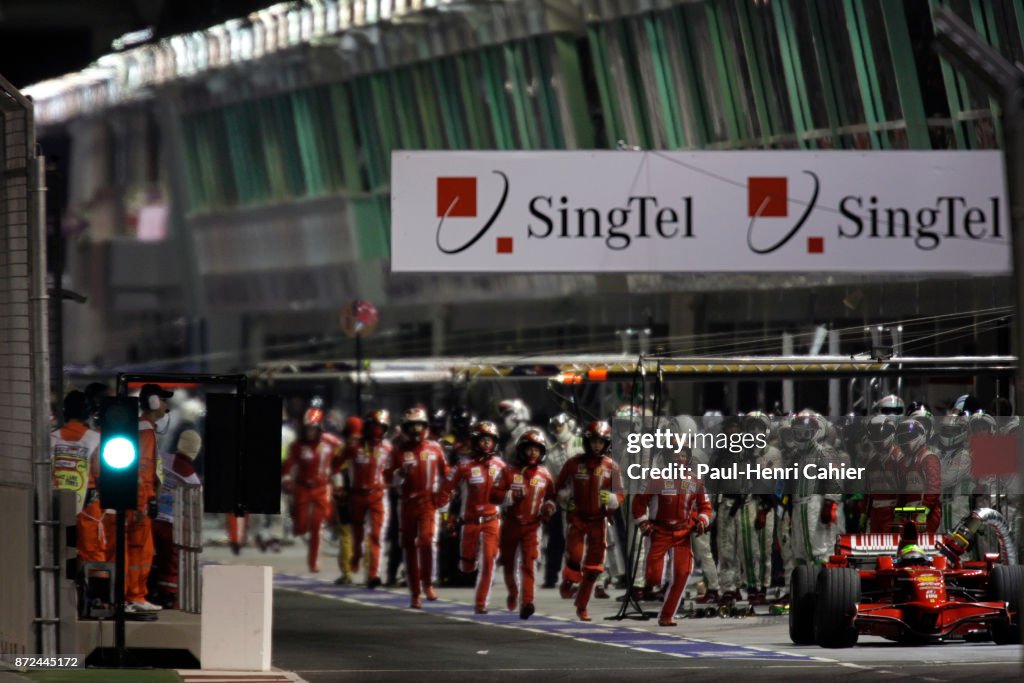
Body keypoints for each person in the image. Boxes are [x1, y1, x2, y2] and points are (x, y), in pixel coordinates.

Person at [632, 445, 712, 626]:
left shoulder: (695, 481)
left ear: (688, 458)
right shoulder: (654, 478)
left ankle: (667, 615)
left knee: (683, 573)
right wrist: (644, 524)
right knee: (653, 577)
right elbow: (638, 503)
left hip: (683, 532)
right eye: (675, 455)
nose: (679, 458)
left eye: (683, 455)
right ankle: (659, 583)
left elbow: (706, 507)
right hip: (659, 531)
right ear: (668, 457)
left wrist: (701, 521)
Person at [555, 420, 624, 621]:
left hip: (599, 520)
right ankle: (568, 580)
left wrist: (612, 500)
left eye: (600, 442)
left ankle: (582, 605)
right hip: (577, 518)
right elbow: (558, 487)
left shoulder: (612, 466)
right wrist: (565, 497)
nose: (597, 445)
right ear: (587, 441)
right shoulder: (574, 463)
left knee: (594, 568)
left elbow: (620, 494)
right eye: (593, 441)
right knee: (575, 558)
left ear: (607, 443)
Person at [436, 421, 505, 613]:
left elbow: (512, 493)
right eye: (482, 440)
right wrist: (445, 518)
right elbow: (444, 491)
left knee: (489, 560)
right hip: (469, 523)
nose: (485, 444)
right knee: (467, 566)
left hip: (492, 521)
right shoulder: (463, 466)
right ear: (475, 441)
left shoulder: (501, 466)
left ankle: (481, 603)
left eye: (489, 440)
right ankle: (467, 561)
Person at [386, 407, 449, 608]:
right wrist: (400, 474)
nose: (415, 430)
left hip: (428, 503)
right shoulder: (398, 451)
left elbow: (446, 473)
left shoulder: (435, 448)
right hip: (406, 504)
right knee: (409, 548)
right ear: (406, 428)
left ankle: (428, 583)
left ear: (425, 427)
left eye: (418, 425)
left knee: (427, 541)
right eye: (411, 426)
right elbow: (388, 478)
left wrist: (446, 495)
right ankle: (415, 593)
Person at [492, 428, 556, 619]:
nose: (532, 453)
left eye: (536, 450)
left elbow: (552, 497)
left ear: (542, 452)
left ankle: (527, 602)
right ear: (521, 450)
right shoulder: (507, 471)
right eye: (529, 449)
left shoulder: (545, 475)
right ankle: (513, 591)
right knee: (509, 563)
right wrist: (510, 495)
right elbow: (493, 495)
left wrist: (549, 508)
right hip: (510, 524)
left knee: (529, 564)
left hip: (532, 527)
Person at [282, 405, 342, 573]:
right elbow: (288, 465)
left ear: (319, 428)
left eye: (313, 429)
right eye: (307, 429)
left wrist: (338, 478)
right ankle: (301, 528)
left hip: (322, 488)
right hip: (302, 487)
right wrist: (286, 479)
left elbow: (344, 454)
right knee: (300, 526)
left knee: (318, 524)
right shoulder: (297, 446)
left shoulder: (331, 442)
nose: (310, 432)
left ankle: (314, 562)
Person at [337, 410, 392, 588]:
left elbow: (398, 470)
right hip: (355, 496)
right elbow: (334, 466)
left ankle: (373, 573)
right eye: (374, 427)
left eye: (381, 428)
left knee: (376, 535)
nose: (377, 431)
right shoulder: (353, 447)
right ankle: (355, 558)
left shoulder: (388, 449)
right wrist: (339, 486)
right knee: (357, 535)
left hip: (377, 496)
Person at [149, 429, 202, 608]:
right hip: (171, 526)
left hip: (152, 518)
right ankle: (168, 594)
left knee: (148, 557)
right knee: (170, 562)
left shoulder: (163, 459)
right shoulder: (193, 480)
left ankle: (149, 588)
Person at [51, 391, 105, 566]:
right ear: (87, 413)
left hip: (57, 504)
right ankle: (95, 591)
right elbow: (99, 472)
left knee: (59, 552)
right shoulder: (95, 438)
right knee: (93, 554)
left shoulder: (52, 438)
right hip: (88, 505)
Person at [542, 413, 579, 588]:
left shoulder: (580, 444)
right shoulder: (552, 453)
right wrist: (557, 494)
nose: (558, 429)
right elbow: (551, 479)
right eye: (555, 427)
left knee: (580, 540)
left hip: (583, 498)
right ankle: (551, 577)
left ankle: (580, 576)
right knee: (556, 539)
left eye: (560, 425)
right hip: (562, 500)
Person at [329, 416, 362, 584]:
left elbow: (335, 471)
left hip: (347, 496)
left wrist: (338, 489)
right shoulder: (367, 449)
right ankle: (369, 572)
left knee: (346, 533)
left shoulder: (342, 450)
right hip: (361, 497)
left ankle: (347, 572)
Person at [895, 417, 941, 533]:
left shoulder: (929, 458)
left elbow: (934, 488)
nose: (905, 441)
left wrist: (924, 511)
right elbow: (901, 491)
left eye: (908, 437)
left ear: (920, 436)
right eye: (902, 438)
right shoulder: (903, 462)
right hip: (908, 514)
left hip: (927, 515)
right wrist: (898, 512)